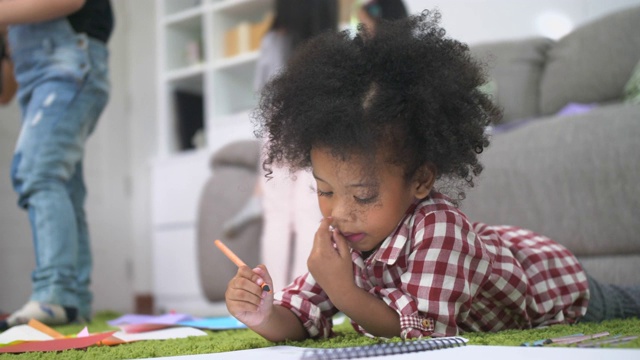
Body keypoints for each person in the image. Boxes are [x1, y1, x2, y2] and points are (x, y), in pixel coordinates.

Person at [223, 11, 640, 342]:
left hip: (558, 289)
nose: (340, 212)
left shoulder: (438, 228)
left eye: (364, 195)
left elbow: (426, 333)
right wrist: (262, 312)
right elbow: (300, 318)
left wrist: (344, 291)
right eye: (325, 190)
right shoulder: (345, 234)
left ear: (421, 181)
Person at [0, 0, 114, 330]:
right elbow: (6, 90)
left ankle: (56, 293)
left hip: (71, 67)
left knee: (38, 170)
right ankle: (73, 301)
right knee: (63, 186)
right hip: (41, 84)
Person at [223, 0, 339, 289]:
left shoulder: (273, 41)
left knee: (276, 216)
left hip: (278, 130)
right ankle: (308, 294)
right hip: (318, 130)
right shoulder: (331, 43)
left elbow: (263, 93)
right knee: (309, 212)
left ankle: (272, 296)